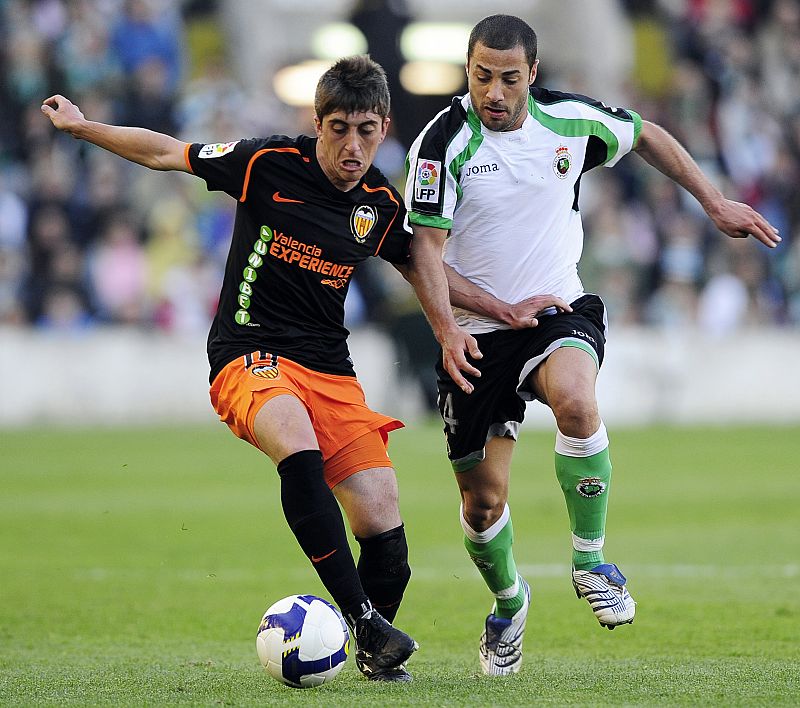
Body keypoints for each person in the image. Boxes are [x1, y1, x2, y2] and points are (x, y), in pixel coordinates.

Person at [42, 55, 477, 683]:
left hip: (329, 367)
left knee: (385, 530)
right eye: (339, 128)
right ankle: (361, 622)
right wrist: (87, 129)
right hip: (250, 354)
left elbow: (425, 269)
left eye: (367, 130)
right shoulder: (267, 163)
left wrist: (501, 309)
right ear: (317, 121)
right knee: (297, 449)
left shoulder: (381, 199)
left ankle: (374, 656)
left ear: (383, 127)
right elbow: (170, 153)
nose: (353, 146)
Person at [405, 14, 781, 676]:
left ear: (534, 76)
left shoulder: (568, 122)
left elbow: (646, 136)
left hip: (555, 310)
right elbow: (424, 257)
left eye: (509, 78)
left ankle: (590, 564)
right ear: (467, 70)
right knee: (482, 501)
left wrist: (712, 200)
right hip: (475, 333)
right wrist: (459, 323)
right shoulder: (440, 144)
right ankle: (509, 604)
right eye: (481, 76)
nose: (494, 92)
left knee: (577, 401)